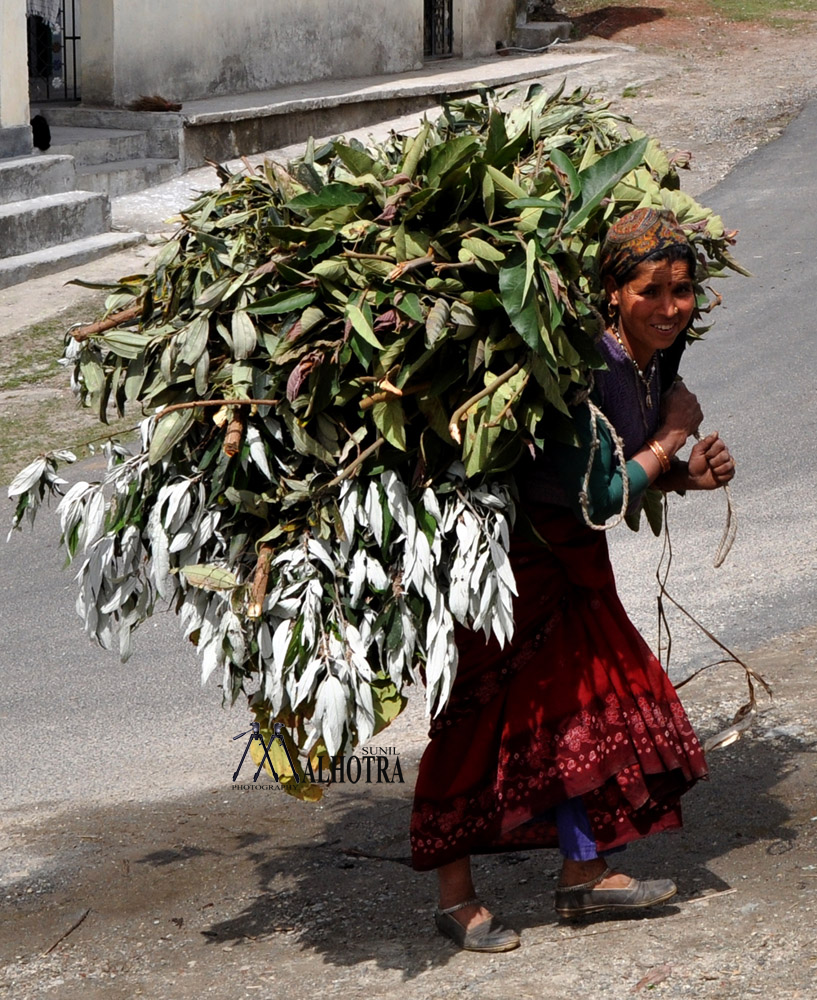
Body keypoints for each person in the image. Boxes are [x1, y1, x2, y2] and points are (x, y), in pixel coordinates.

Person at [410, 207, 736, 952]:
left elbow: (611, 476)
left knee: (590, 711)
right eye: (650, 291)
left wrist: (682, 476)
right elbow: (597, 497)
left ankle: (584, 875)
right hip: (508, 567)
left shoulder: (653, 362)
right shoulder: (583, 367)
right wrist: (671, 439)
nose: (668, 307)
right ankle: (453, 897)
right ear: (612, 294)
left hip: (568, 568)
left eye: (681, 291)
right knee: (477, 718)